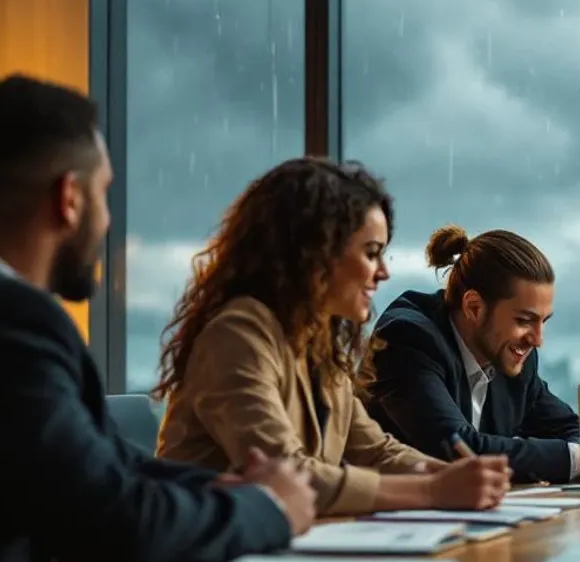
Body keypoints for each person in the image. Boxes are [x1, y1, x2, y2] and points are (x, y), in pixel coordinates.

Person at [0, 74, 315, 562]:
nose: (108, 221)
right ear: (68, 198)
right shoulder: (0, 316)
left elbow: (95, 461)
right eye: (104, 193)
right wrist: (269, 509)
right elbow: (110, 523)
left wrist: (230, 487)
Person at [155, 158, 510, 514]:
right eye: (371, 253)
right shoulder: (236, 334)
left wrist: (453, 475)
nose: (383, 272)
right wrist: (434, 490)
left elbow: (374, 450)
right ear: (314, 253)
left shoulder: (318, 343)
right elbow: (284, 476)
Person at [368, 226, 580, 484]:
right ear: (474, 307)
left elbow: (574, 430)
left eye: (543, 321)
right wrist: (576, 459)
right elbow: (459, 449)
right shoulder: (407, 338)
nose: (537, 340)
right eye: (524, 320)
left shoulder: (513, 356)